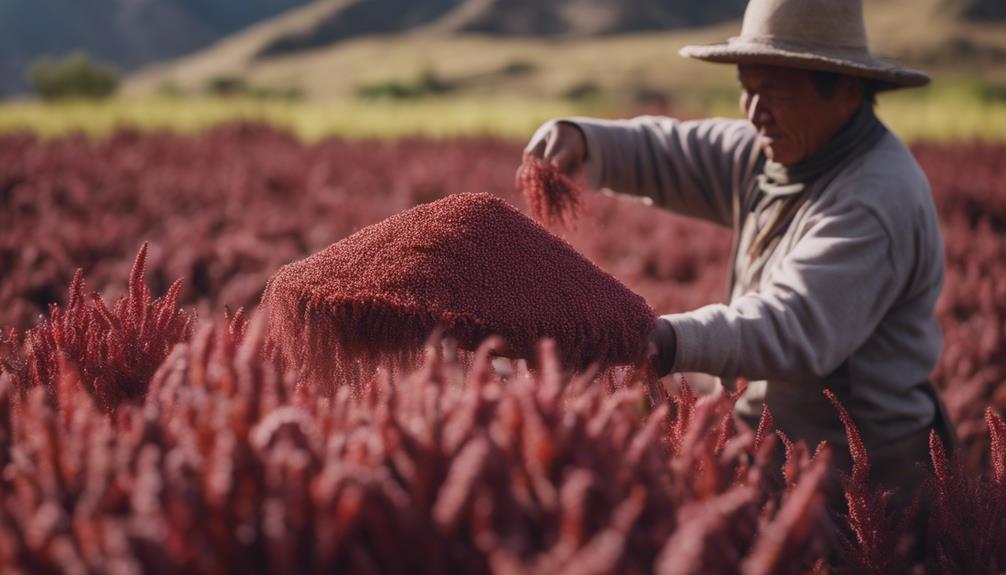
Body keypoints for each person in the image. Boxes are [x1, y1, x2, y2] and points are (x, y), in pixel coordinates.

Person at [524, 0, 955, 501]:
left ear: (847, 89)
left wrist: (663, 340)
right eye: (747, 91)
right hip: (773, 445)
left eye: (773, 94)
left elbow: (792, 324)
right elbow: (675, 150)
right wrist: (582, 137)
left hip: (856, 475)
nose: (754, 112)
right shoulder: (783, 146)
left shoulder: (875, 200)